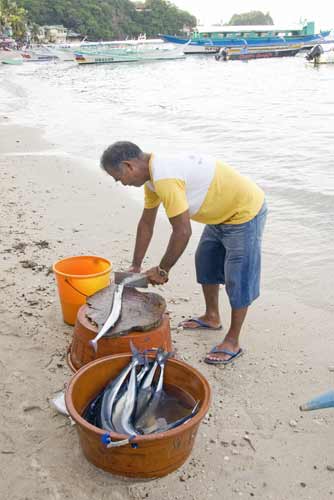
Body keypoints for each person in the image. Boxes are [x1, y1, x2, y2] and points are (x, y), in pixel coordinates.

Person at [100, 141, 267, 365]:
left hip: (244, 214)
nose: (120, 183)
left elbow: (182, 231)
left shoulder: (165, 177)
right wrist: (136, 266)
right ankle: (212, 317)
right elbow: (146, 223)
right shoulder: (151, 179)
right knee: (205, 263)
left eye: (118, 177)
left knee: (238, 279)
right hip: (219, 215)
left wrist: (162, 270)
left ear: (129, 166)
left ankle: (232, 341)